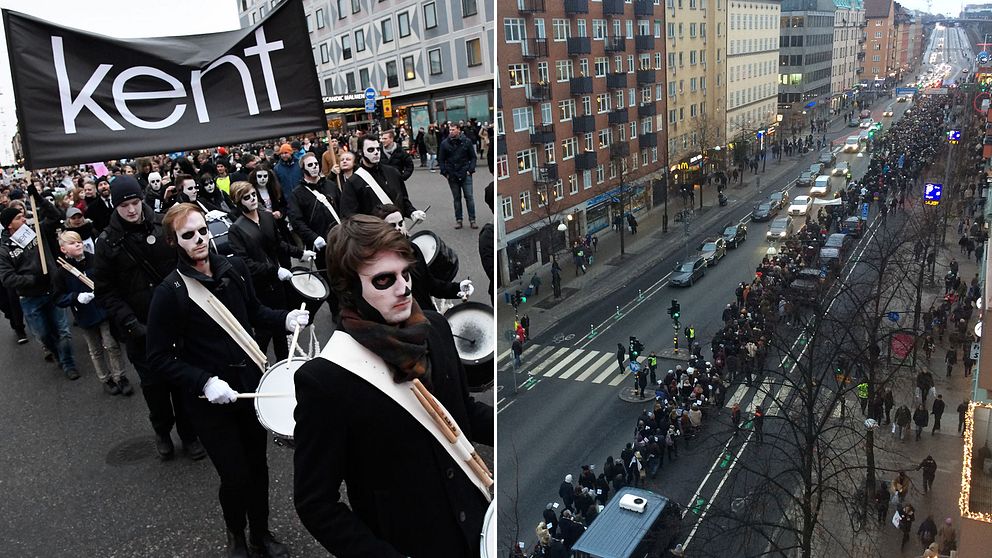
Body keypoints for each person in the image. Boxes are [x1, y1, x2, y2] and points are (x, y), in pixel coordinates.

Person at [292, 215, 493, 557]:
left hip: (477, 521)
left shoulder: (437, 329)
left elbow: (462, 413)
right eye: (384, 280)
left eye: (405, 273)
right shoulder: (326, 381)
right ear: (350, 288)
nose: (404, 288)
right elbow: (315, 503)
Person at [147, 203, 307, 558]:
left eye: (202, 230)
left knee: (258, 468)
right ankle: (236, 535)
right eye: (189, 235)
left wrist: (285, 319)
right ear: (175, 242)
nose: (200, 239)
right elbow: (158, 357)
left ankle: (261, 534)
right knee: (235, 476)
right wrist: (203, 382)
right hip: (210, 402)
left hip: (249, 389)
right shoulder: (170, 291)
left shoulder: (232, 268)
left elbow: (254, 312)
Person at [92, 176, 203, 460]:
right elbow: (106, 291)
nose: (131, 210)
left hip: (176, 322)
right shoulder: (107, 243)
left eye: (134, 203)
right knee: (155, 390)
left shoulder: (163, 225)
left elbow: (183, 264)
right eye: (124, 205)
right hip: (139, 330)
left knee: (184, 385)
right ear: (116, 207)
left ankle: (189, 434)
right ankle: (162, 431)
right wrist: (130, 324)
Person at [229, 181, 315, 361]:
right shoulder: (236, 229)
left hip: (278, 285)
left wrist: (301, 253)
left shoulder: (267, 217)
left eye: (253, 195)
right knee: (263, 333)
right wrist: (274, 270)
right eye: (247, 197)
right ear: (238, 202)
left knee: (282, 331)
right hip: (259, 288)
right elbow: (244, 263)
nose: (252, 199)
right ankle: (258, 366)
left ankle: (284, 364)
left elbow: (279, 244)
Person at [0, 187, 80, 380]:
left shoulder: (35, 229)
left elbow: (56, 216)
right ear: (10, 225)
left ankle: (68, 363)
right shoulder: (4, 249)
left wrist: (37, 197)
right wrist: (33, 280)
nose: (25, 220)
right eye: (19, 218)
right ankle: (56, 352)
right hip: (30, 298)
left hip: (52, 291)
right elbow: (7, 278)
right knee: (44, 335)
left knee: (63, 331)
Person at [55, 231, 131, 395]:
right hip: (84, 315)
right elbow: (58, 298)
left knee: (111, 344)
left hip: (104, 310)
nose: (77, 244)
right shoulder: (62, 272)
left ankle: (120, 377)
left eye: (79, 241)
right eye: (72, 243)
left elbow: (109, 280)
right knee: (95, 349)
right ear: (63, 250)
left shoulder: (94, 260)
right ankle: (106, 379)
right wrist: (76, 297)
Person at [372, 204, 473, 311]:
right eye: (392, 225)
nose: (398, 228)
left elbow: (430, 284)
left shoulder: (413, 249)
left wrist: (457, 288)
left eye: (401, 223)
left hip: (427, 315)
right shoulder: (376, 261)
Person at [340, 135, 426, 224]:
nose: (376, 152)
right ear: (360, 152)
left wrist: (412, 212)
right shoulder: (353, 182)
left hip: (398, 230)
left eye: (378, 149)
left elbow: (403, 199)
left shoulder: (393, 172)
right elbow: (349, 216)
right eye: (371, 150)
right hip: (374, 234)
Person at [437, 122, 478, 229]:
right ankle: (459, 219)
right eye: (450, 130)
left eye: (453, 130)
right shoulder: (445, 144)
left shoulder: (466, 142)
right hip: (452, 174)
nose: (451, 132)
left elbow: (473, 157)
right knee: (456, 198)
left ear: (458, 130)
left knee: (469, 197)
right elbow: (441, 159)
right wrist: (445, 173)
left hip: (465, 173)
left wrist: (470, 170)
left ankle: (472, 219)